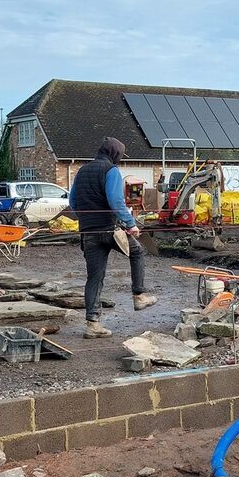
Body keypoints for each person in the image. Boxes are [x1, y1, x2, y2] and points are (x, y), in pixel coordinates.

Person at [69, 137, 158, 338]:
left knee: (95, 278)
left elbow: (72, 201)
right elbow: (115, 200)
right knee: (137, 252)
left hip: (88, 232)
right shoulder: (111, 171)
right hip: (110, 230)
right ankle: (139, 295)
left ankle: (92, 325)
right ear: (115, 154)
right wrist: (131, 224)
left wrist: (86, 218)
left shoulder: (82, 171)